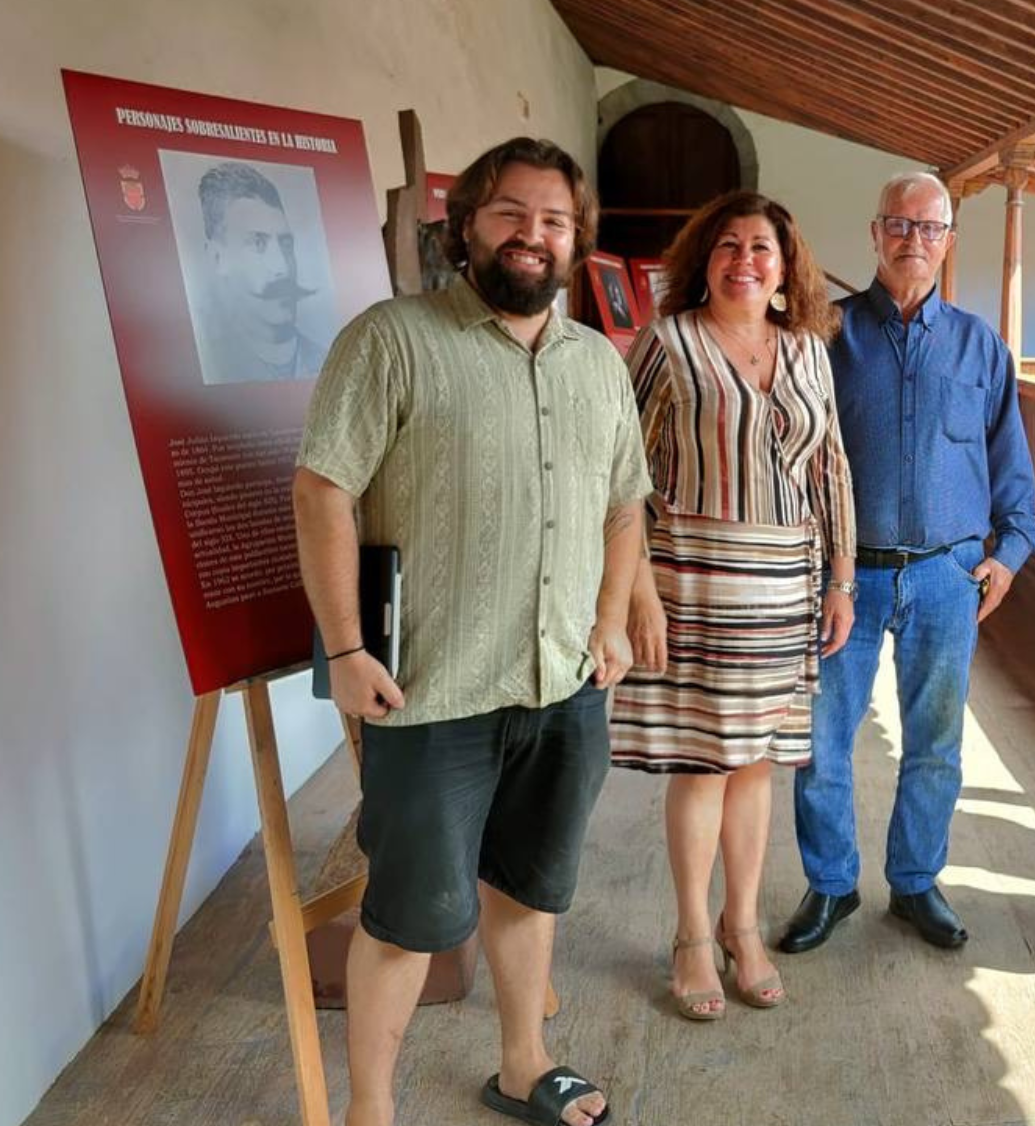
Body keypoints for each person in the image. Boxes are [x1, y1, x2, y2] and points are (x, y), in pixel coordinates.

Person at [293, 137, 647, 1126]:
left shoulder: (595, 364)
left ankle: (524, 1064)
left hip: (562, 687)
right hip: (432, 693)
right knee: (408, 919)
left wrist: (611, 620)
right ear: (466, 227)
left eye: (553, 220)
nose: (533, 236)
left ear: (575, 240)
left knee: (530, 892)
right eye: (511, 214)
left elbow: (624, 505)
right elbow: (324, 489)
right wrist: (347, 646)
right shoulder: (391, 339)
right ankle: (371, 1108)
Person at [608, 190, 857, 1020]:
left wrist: (841, 578)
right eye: (728, 245)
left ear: (786, 270)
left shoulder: (809, 352)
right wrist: (632, 589)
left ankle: (741, 928)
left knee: (757, 764)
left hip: (785, 582)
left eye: (762, 248)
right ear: (702, 261)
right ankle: (688, 936)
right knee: (701, 763)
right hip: (691, 581)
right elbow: (621, 470)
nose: (744, 260)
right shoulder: (667, 341)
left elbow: (831, 470)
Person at [779, 172, 1035, 954]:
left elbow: (1010, 463)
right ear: (874, 232)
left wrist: (1011, 556)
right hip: (844, 579)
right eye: (900, 224)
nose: (914, 241)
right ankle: (830, 886)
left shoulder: (980, 346)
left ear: (949, 242)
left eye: (931, 229)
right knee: (823, 741)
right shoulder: (825, 337)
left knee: (934, 742)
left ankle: (916, 881)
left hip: (945, 578)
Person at [195, 161, 327, 383]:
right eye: (258, 243)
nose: (282, 269)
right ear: (218, 258)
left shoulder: (333, 363)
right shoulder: (209, 366)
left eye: (285, 244)